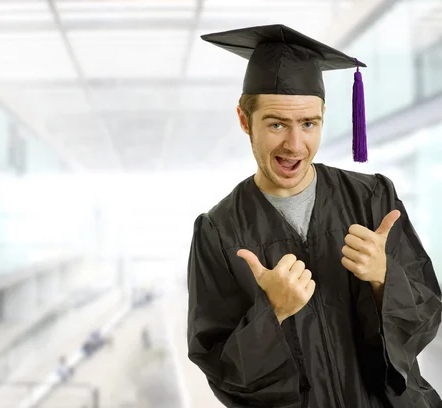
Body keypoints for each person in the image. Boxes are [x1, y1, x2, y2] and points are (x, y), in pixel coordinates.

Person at [186, 24, 442, 408]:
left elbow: (425, 317)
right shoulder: (219, 231)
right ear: (244, 120)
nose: (294, 144)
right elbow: (222, 372)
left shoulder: (372, 197)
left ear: (323, 116)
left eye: (308, 124)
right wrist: (271, 315)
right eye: (276, 124)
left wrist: (384, 279)